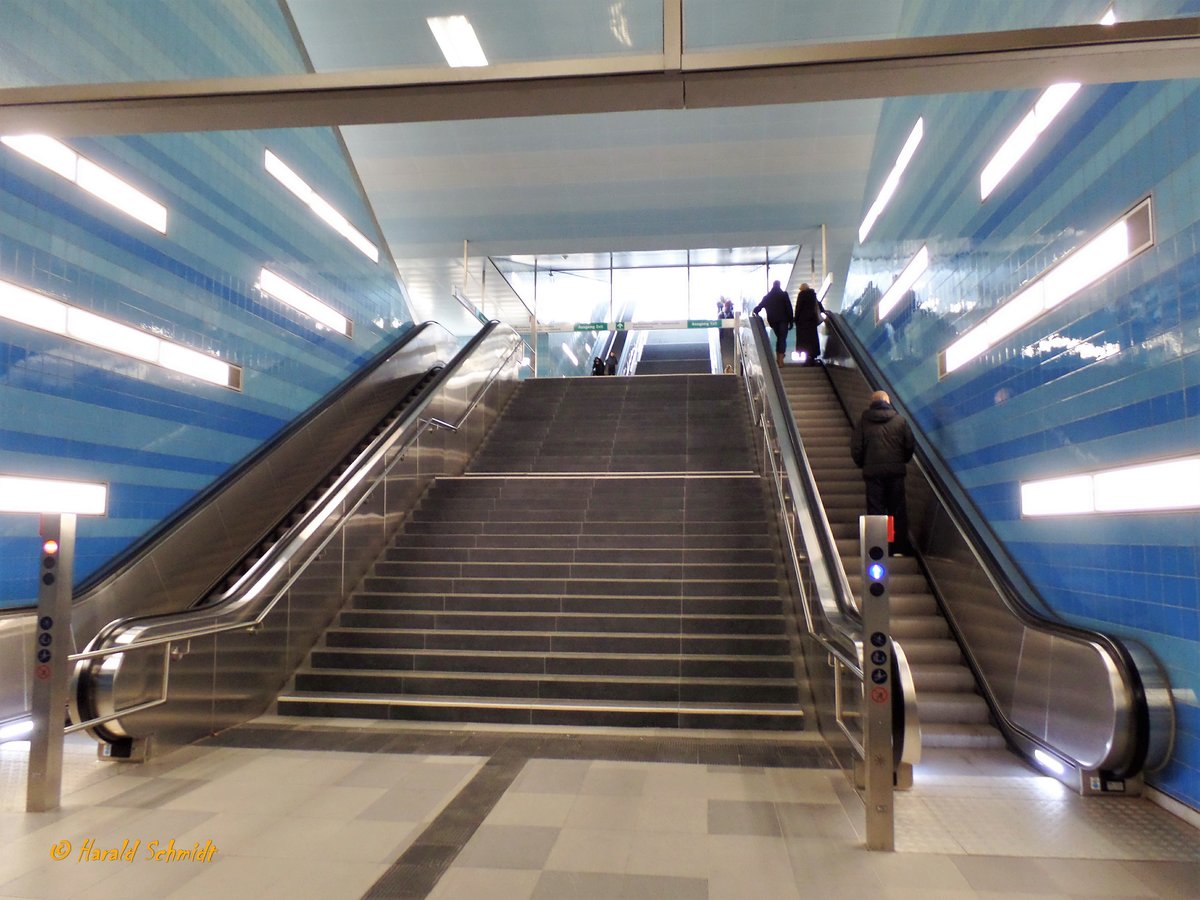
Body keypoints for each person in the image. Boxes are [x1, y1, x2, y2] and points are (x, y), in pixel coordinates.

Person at [850, 390, 915, 555]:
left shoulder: (863, 422)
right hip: (895, 472)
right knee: (897, 510)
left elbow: (856, 448)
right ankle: (898, 548)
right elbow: (909, 446)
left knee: (875, 510)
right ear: (888, 401)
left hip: (873, 473)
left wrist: (864, 464)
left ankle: (877, 551)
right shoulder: (900, 421)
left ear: (872, 402)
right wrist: (901, 461)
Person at [752, 280, 793, 365]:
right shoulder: (784, 295)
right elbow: (789, 308)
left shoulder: (767, 297)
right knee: (782, 339)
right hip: (783, 320)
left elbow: (758, 308)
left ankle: (779, 359)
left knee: (780, 338)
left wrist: (755, 312)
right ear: (779, 285)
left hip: (773, 321)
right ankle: (780, 360)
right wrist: (791, 321)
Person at [793, 282, 825, 366]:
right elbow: (819, 306)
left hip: (803, 322)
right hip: (812, 322)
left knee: (804, 341)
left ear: (802, 289)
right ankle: (812, 358)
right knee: (812, 340)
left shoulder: (802, 295)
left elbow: (798, 308)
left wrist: (795, 319)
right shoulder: (813, 295)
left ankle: (807, 359)